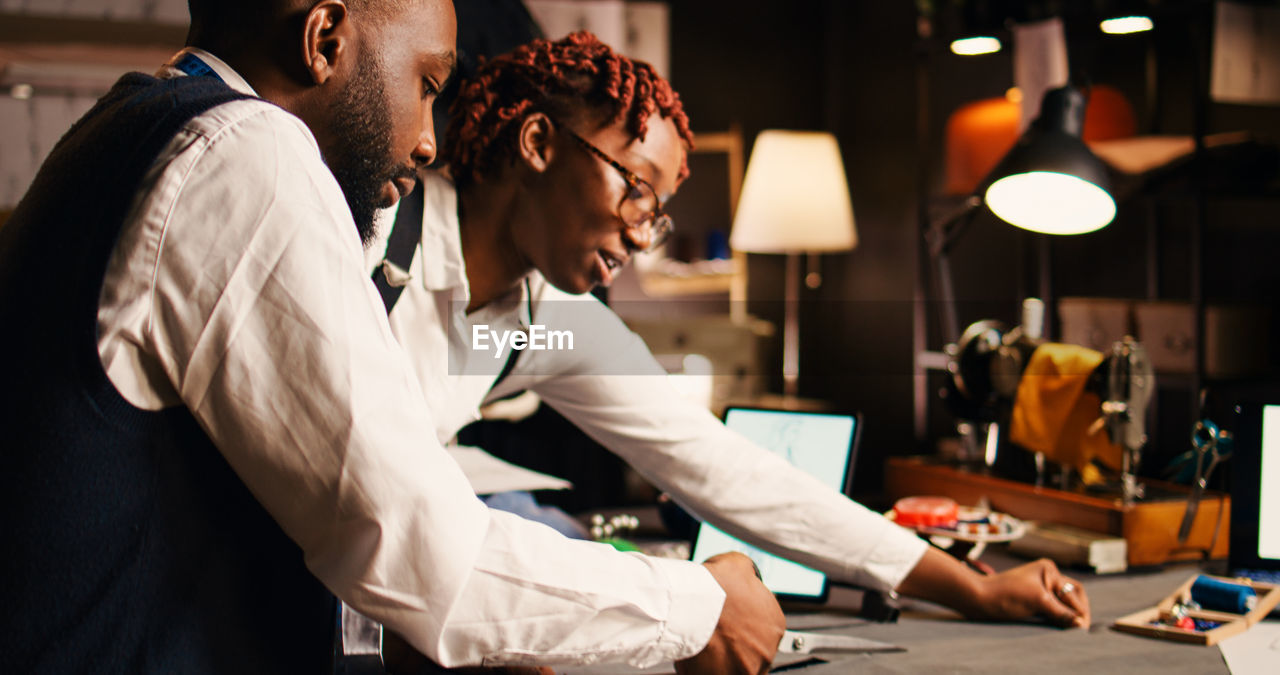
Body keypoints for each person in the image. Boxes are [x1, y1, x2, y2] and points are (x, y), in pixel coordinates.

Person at [0, 2, 779, 673]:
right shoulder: (246, 151)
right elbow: (421, 551)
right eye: (427, 85)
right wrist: (699, 607)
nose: (429, 140)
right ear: (326, 38)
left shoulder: (126, 127)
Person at [364, 28, 1093, 665]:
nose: (641, 235)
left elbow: (727, 471)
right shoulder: (368, 236)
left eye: (657, 215)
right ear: (539, 144)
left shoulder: (547, 321)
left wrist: (974, 586)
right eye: (636, 191)